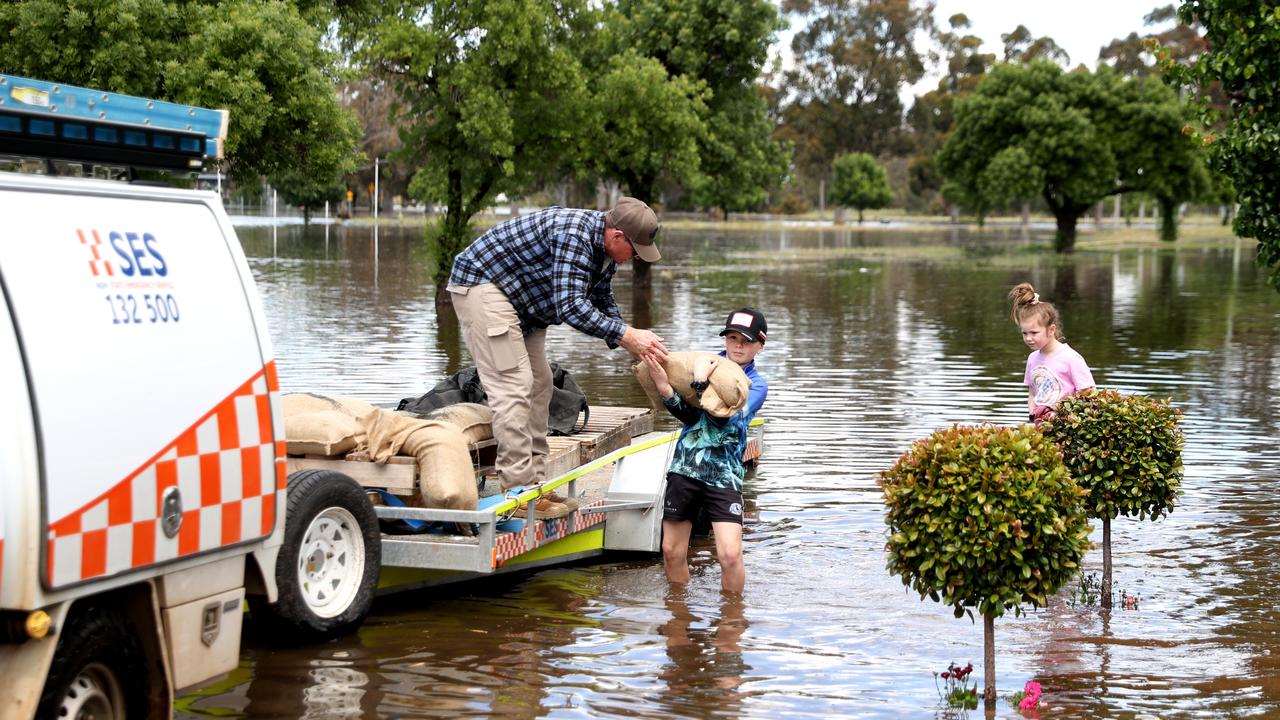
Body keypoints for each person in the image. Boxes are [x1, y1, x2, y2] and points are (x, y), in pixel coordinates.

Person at [447, 198, 669, 518]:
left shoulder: (605, 252)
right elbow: (571, 307)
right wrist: (627, 335)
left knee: (541, 382)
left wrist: (630, 341)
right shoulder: (574, 236)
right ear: (617, 236)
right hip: (483, 287)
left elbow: (601, 298)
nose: (634, 258)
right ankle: (520, 491)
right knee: (514, 383)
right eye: (634, 250)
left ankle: (536, 484)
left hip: (525, 304)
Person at [649, 308, 769, 594]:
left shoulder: (756, 386)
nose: (738, 346)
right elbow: (691, 418)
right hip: (686, 467)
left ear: (759, 347)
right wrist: (665, 388)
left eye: (746, 341)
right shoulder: (699, 365)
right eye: (732, 338)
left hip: (724, 475)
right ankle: (678, 614)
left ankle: (732, 618)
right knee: (671, 551)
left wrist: (700, 383)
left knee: (729, 554)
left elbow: (727, 419)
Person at [1009, 282, 1095, 422]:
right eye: (1024, 333)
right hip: (1041, 425)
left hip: (1067, 428)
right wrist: (1032, 411)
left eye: (1034, 333)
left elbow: (1089, 393)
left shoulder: (1070, 358)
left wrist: (1065, 417)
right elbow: (1032, 394)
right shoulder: (1032, 358)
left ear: (1051, 330)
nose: (1028, 338)